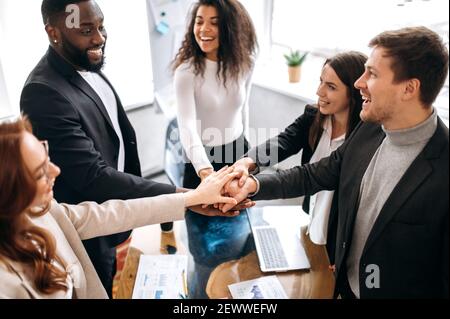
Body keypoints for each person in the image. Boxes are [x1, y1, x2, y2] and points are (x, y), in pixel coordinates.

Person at [19, 0, 251, 297]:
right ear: (53, 32)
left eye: (101, 27)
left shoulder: (87, 63)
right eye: (86, 30)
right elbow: (94, 177)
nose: (99, 38)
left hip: (115, 214)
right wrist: (188, 196)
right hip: (90, 228)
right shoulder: (44, 92)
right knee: (98, 285)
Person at [224, 26, 449, 298]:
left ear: (409, 88)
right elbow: (312, 175)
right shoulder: (368, 132)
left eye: (373, 74)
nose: (359, 82)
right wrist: (253, 185)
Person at [0, 116, 242, 299]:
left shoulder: (46, 211)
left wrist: (190, 199)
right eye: (40, 172)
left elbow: (115, 213)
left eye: (47, 157)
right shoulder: (6, 282)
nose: (56, 171)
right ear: (11, 192)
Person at [229, 51, 367, 265]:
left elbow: (310, 176)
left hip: (339, 233)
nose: (319, 91)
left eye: (331, 87)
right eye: (321, 82)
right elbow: (283, 142)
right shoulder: (314, 117)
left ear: (354, 93)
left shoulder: (363, 136)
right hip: (312, 217)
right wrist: (248, 161)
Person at [171, 0, 258, 298]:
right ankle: (199, 296)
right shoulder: (186, 72)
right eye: (199, 20)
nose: (203, 29)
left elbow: (243, 111)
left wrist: (248, 159)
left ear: (230, 27)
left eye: (214, 21)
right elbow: (187, 129)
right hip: (202, 163)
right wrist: (207, 175)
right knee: (206, 250)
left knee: (240, 239)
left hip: (237, 157)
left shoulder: (245, 62)